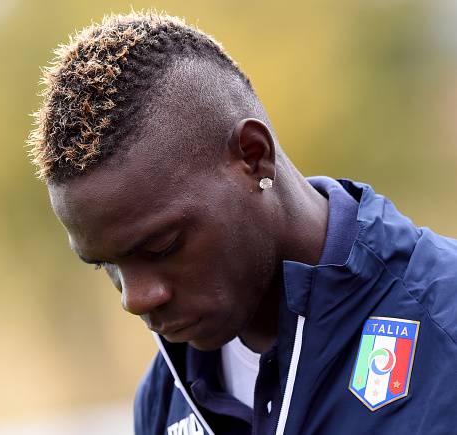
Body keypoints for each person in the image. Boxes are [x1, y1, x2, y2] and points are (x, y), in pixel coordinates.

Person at [27, 11, 457, 435]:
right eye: (106, 264)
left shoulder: (445, 329)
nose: (135, 299)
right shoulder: (164, 398)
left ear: (253, 156)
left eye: (161, 246)